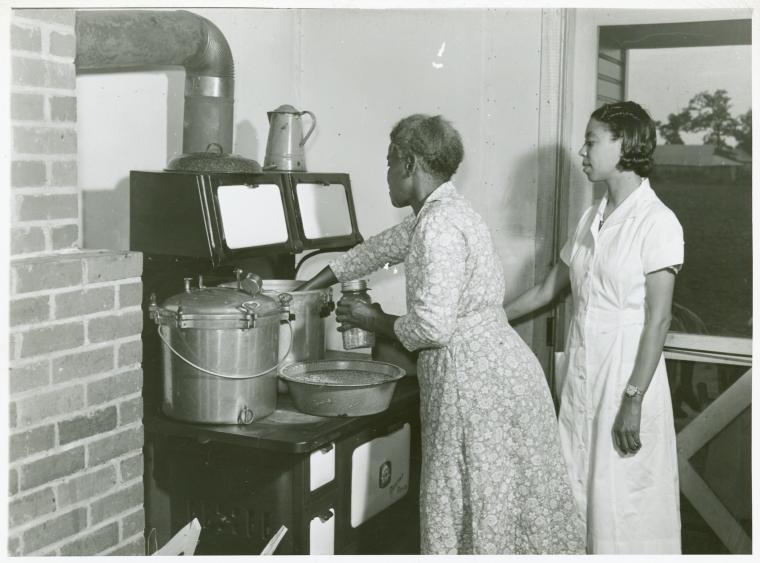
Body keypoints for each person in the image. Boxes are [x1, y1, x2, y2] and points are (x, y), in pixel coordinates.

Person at [298, 114, 585, 555]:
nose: (387, 172)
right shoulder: (444, 211)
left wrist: (370, 317)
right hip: (500, 371)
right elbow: (373, 251)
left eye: (391, 161)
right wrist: (305, 290)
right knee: (509, 502)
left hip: (472, 384)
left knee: (471, 498)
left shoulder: (437, 226)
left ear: (410, 164)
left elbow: (432, 325)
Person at [505, 101, 683, 554]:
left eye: (591, 140)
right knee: (577, 496)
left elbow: (658, 320)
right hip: (584, 374)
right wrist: (489, 317)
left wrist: (633, 399)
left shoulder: (658, 222)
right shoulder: (591, 218)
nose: (582, 151)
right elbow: (548, 289)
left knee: (624, 507)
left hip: (627, 378)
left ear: (624, 144)